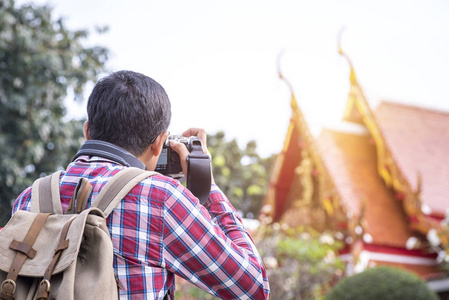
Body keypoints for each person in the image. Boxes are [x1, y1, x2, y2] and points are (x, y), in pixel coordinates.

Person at [12, 70, 270, 300]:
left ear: (88, 131)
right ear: (159, 143)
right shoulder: (162, 198)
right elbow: (253, 288)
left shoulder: (30, 198)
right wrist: (207, 186)